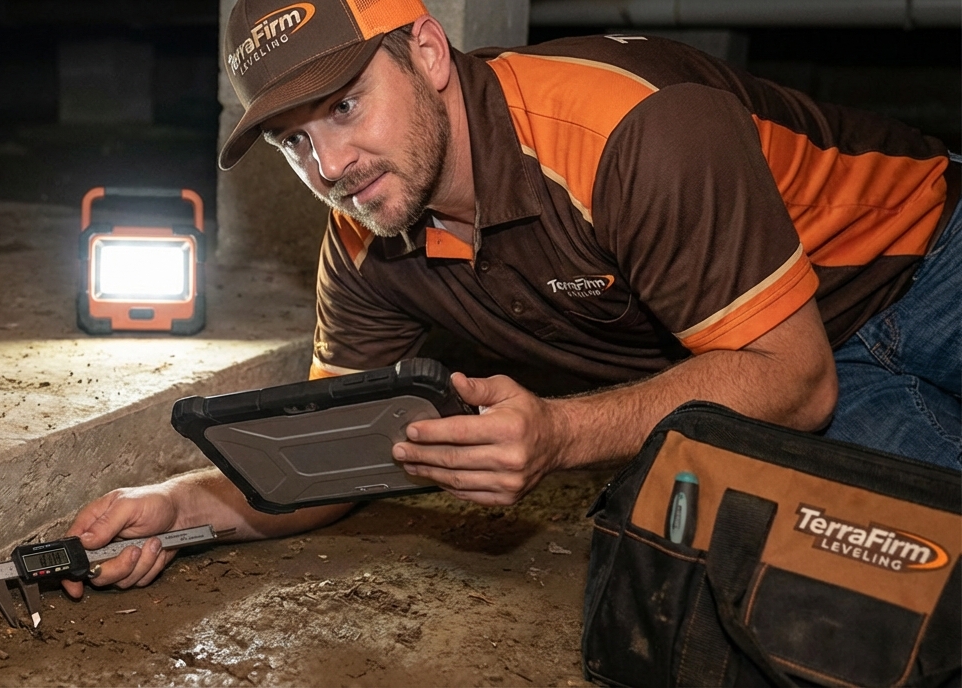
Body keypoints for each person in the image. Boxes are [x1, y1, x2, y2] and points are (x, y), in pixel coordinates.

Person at [62, 0, 960, 599]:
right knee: (923, 586)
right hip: (791, 364)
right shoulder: (366, 244)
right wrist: (180, 506)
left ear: (426, 53)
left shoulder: (626, 130)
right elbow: (331, 461)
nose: (329, 166)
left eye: (344, 107)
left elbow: (794, 380)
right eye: (294, 143)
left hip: (928, 253)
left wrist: (562, 433)